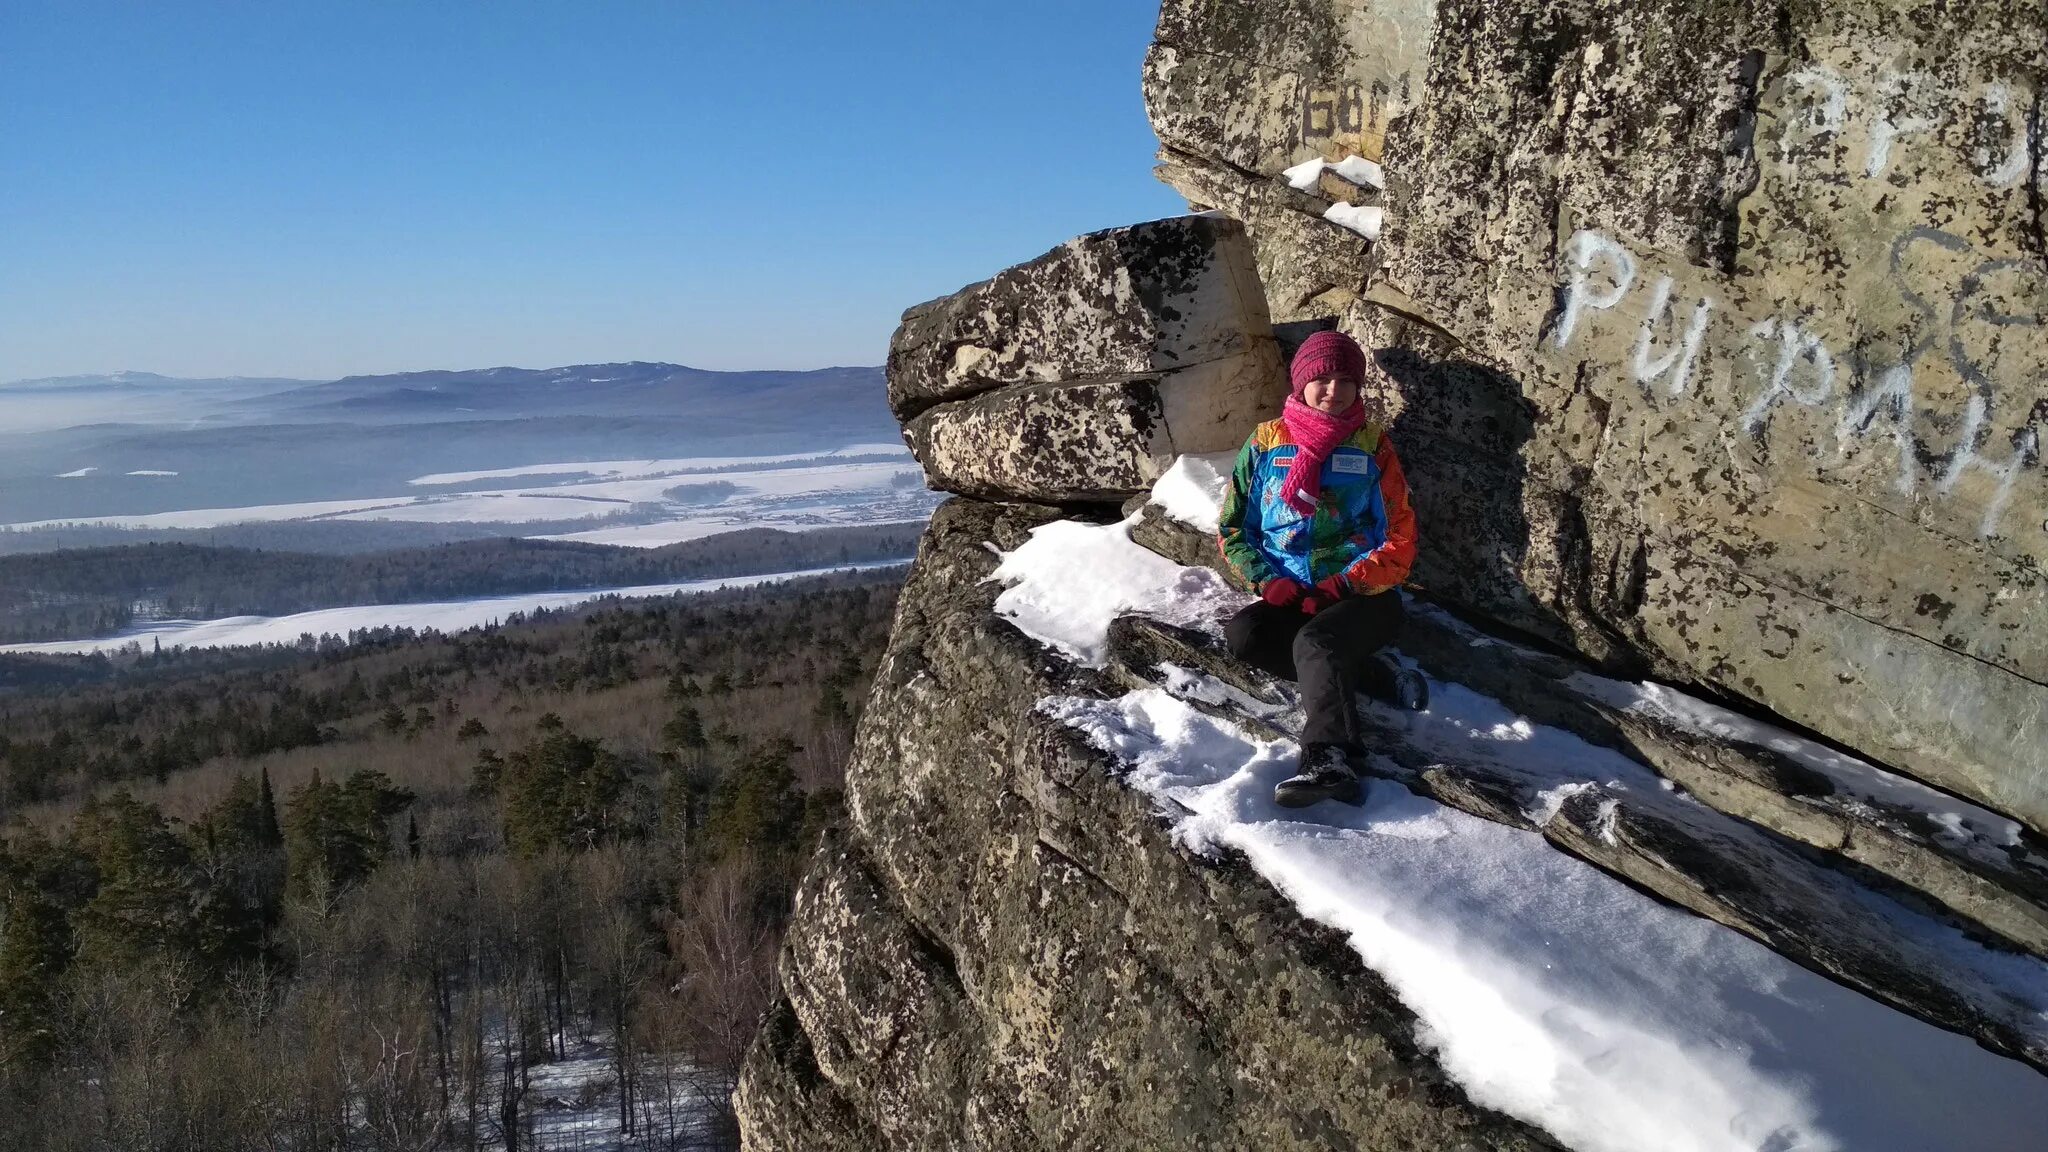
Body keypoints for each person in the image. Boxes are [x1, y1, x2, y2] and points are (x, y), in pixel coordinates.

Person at [1216, 329, 1426, 808]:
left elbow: (1401, 536)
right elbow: (1234, 528)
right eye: (1323, 379)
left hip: (1362, 595)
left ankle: (1329, 758)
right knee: (1244, 636)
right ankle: (1368, 674)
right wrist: (1269, 584)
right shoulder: (1267, 442)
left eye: (1346, 380)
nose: (1334, 390)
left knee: (1316, 642)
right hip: (1293, 593)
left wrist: (1343, 584)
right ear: (1301, 382)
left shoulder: (1372, 444)